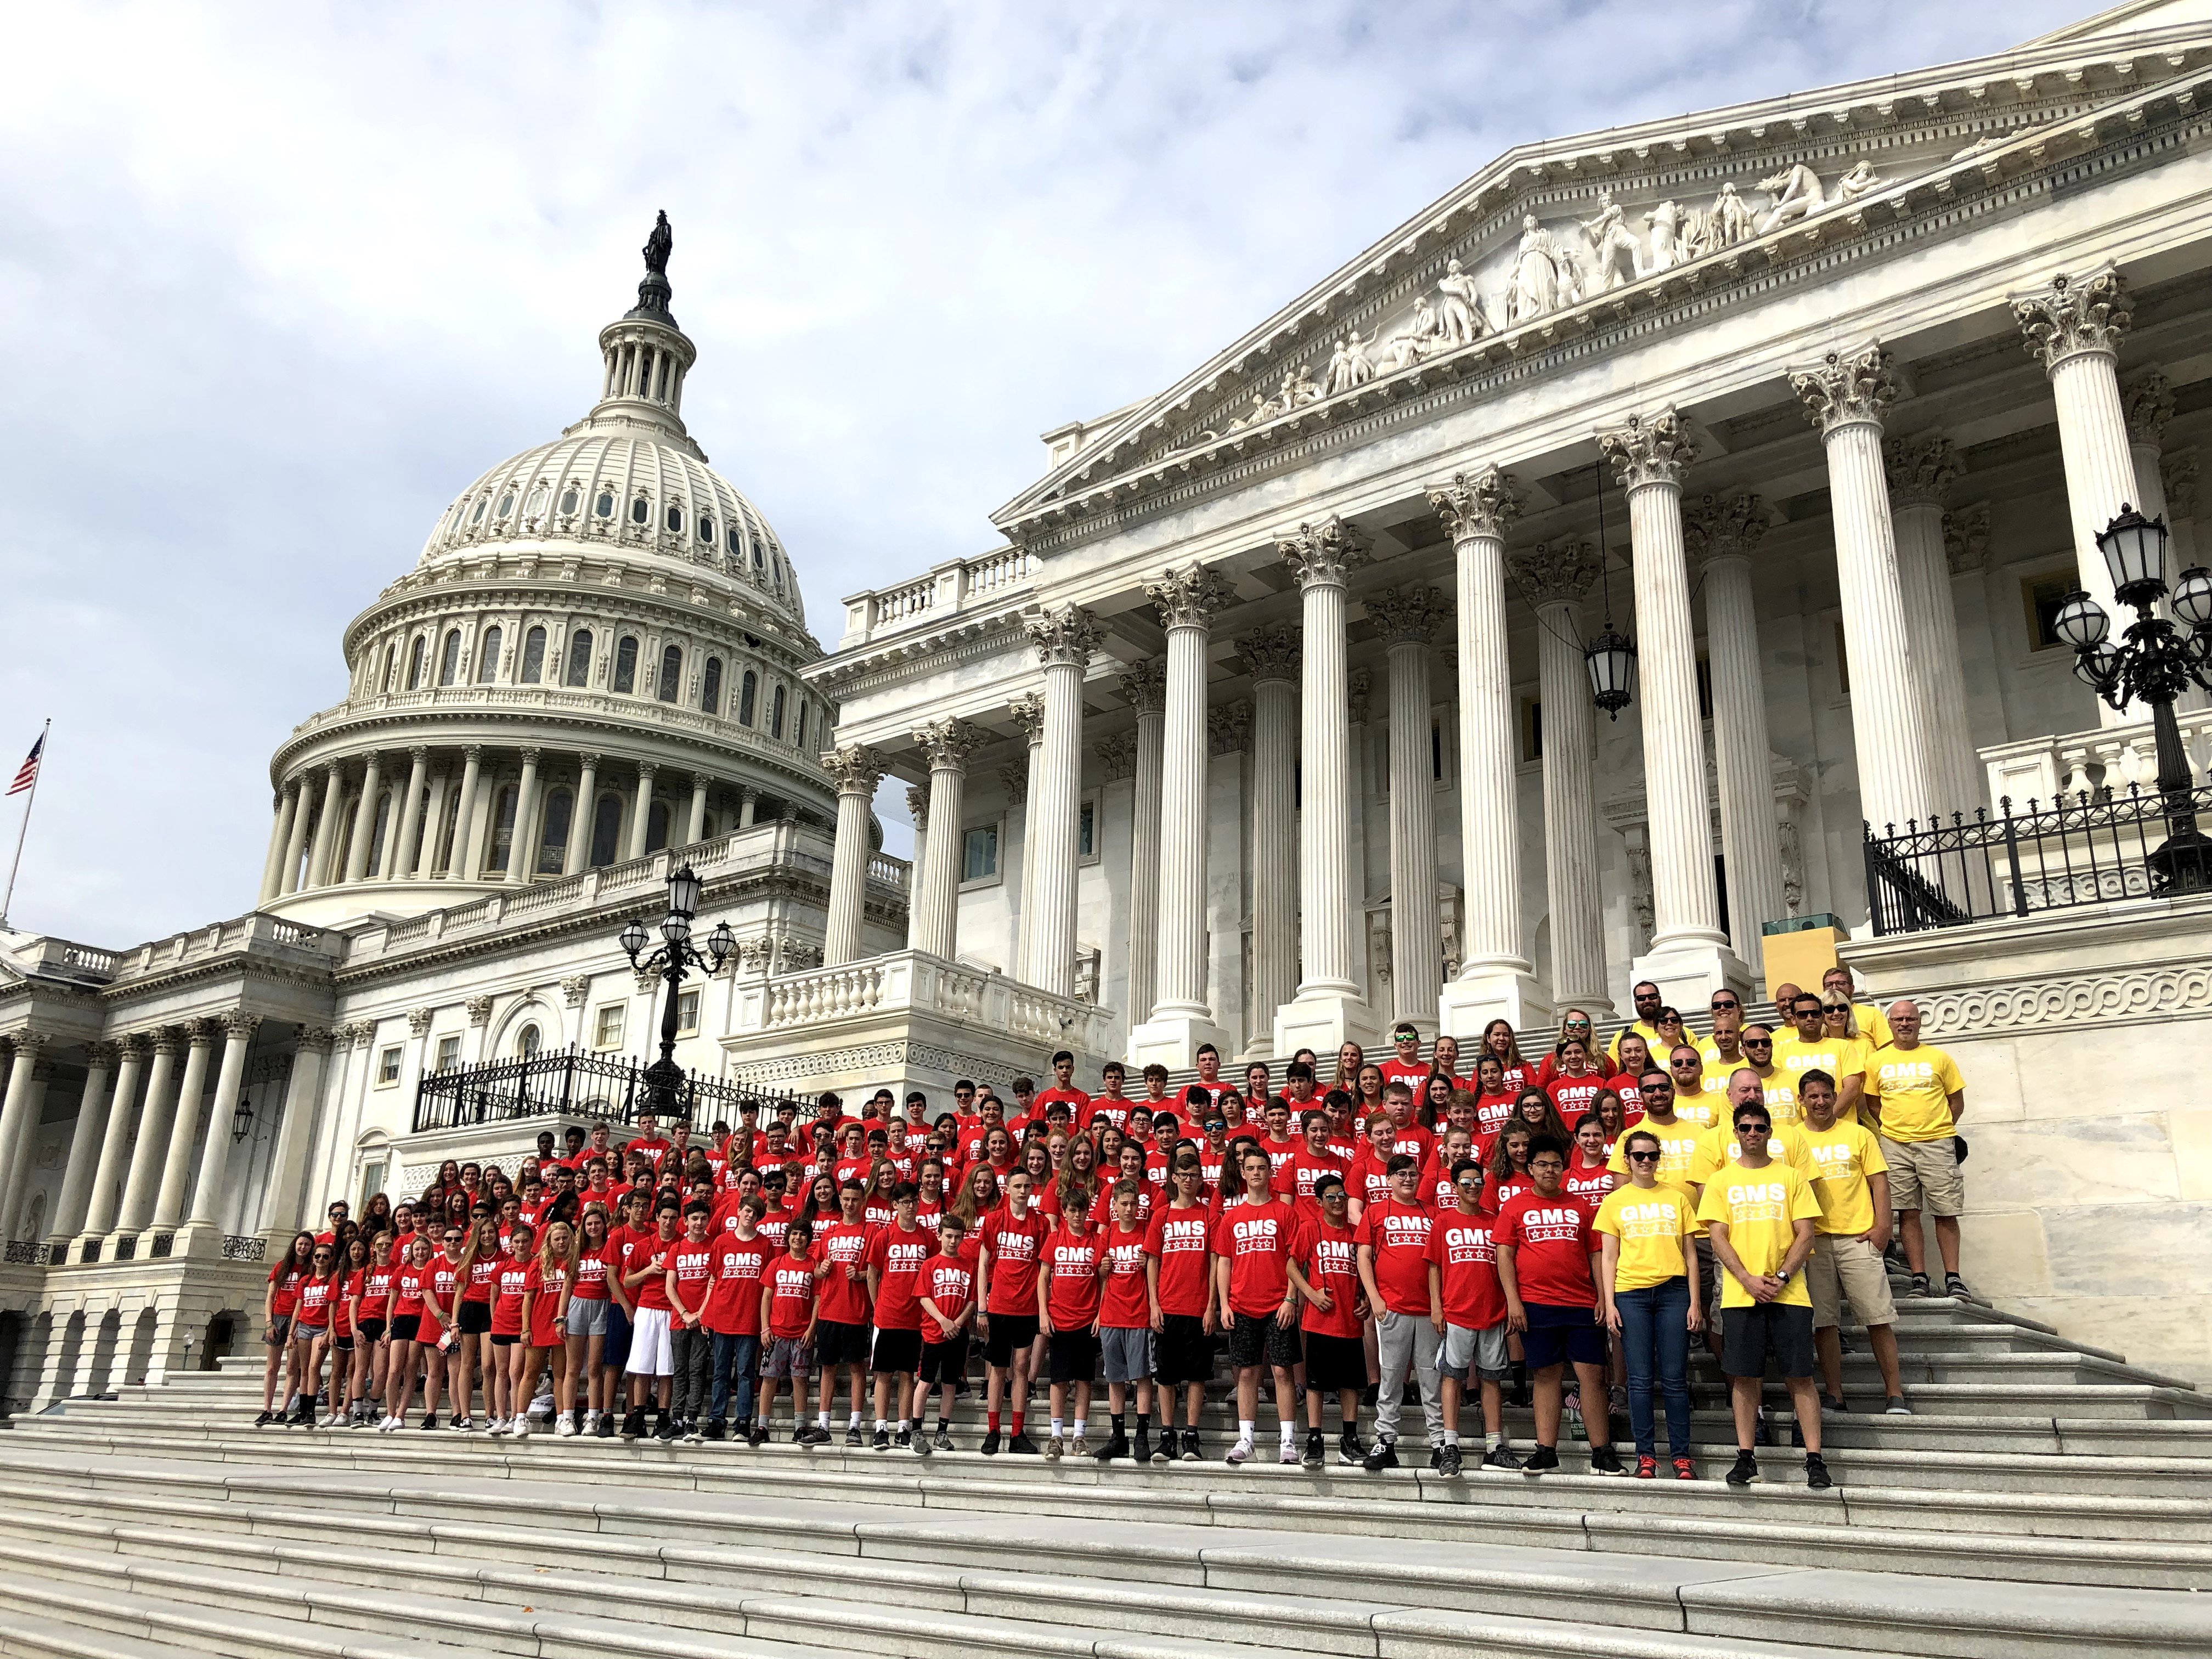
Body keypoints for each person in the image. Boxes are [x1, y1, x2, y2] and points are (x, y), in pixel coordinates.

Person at [1697, 1103, 1830, 1489]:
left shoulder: (1791, 1177)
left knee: (1800, 1376)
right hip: (1741, 1294)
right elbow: (1718, 1236)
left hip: (1790, 1293)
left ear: (1770, 1132)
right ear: (1735, 1133)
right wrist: (1746, 1278)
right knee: (1744, 1378)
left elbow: (1806, 1233)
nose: (1752, 1133)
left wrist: (1784, 1276)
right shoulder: (1721, 1181)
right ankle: (1746, 1456)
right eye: (1745, 1127)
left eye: (1759, 1127)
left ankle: (1814, 1459)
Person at [1494, 1135, 1622, 1475]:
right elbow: (1504, 1255)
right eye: (1542, 1165)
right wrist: (1514, 1301)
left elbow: (1596, 1253)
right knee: (1546, 1376)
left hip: (1581, 1303)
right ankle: (1546, 1451)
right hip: (1537, 1303)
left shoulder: (1580, 1205)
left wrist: (1601, 1296)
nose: (1549, 1171)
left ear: (1564, 1168)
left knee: (1592, 1376)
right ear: (1531, 1168)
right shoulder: (1515, 1207)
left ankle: (1602, 1452)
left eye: (1555, 1164)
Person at [1798, 1070, 1908, 1414]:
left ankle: (1895, 1394)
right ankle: (1835, 1394)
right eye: (1812, 1096)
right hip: (1815, 1241)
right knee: (1824, 1323)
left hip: (1858, 1237)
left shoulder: (1859, 1134)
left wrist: (1882, 1228)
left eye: (1826, 1095)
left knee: (1877, 1318)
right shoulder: (1791, 1140)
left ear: (1835, 1097)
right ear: (1801, 1101)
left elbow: (1880, 1183)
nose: (1820, 1102)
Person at [1594, 1130, 1701, 1478]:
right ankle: (1646, 1457)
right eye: (1638, 1156)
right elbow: (1608, 1257)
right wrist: (1609, 1303)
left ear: (1659, 1158)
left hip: (1673, 1292)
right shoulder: (1614, 1201)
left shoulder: (1677, 1198)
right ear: (1627, 1160)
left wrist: (1695, 1301)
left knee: (1674, 1379)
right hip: (1630, 1294)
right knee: (1639, 1380)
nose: (1645, 1161)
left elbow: (1691, 1255)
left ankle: (1681, 1456)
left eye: (1652, 1155)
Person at [1863, 1000, 1969, 1299]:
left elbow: (1956, 1102)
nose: (1905, 1024)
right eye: (1898, 1019)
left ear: (1920, 1022)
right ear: (1890, 1024)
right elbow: (1873, 1104)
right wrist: (1895, 1130)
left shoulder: (1939, 1058)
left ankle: (1954, 1278)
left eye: (1910, 1018)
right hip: (1895, 1144)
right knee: (1907, 1212)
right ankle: (1919, 1277)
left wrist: (1936, 1128)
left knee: (1946, 1212)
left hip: (1937, 1142)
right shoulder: (1876, 1061)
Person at [1212, 1146, 1301, 1465]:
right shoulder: (1232, 1217)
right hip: (1242, 1305)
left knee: (1282, 1373)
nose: (1256, 1173)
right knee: (1247, 1375)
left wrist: (1291, 1297)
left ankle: (1288, 1441)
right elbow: (1224, 1262)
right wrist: (1224, 1304)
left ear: (1269, 1172)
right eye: (1250, 1168)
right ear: (1243, 1173)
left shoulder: (1285, 1212)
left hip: (1279, 1304)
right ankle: (1246, 1440)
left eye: (1262, 1168)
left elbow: (1296, 1259)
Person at [1427, 1159, 1515, 1475]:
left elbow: (1507, 1266)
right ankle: (1450, 1446)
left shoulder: (1496, 1221)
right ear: (1454, 1188)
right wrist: (1437, 1307)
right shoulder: (1444, 1222)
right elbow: (1434, 1266)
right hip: (1457, 1312)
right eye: (1466, 1182)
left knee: (1491, 1379)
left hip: (1492, 1312)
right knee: (1453, 1377)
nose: (1473, 1187)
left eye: (1478, 1181)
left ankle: (1494, 1447)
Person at [1357, 1153, 1442, 1471]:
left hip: (1428, 1310)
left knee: (1432, 1379)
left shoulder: (1432, 1212)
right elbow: (1364, 1257)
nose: (1408, 1179)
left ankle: (1439, 1442)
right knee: (1391, 1378)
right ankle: (1386, 1440)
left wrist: (1439, 1305)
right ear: (1389, 1179)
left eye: (1412, 1174)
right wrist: (1375, 1298)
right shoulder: (1376, 1211)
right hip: (1392, 1307)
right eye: (1401, 1174)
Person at [1285, 1171, 1367, 1467]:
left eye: (1341, 1196)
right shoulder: (1311, 1228)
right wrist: (1310, 1293)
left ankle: (1350, 1439)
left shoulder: (1357, 1231)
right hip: (1319, 1321)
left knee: (1350, 1384)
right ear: (1319, 1201)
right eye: (1330, 1197)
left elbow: (1369, 1270)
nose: (1338, 1201)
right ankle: (1315, 1439)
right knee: (1316, 1385)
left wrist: (1368, 1299)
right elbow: (1292, 1266)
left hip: (1351, 1321)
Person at [1146, 1152, 1216, 1462]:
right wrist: (1154, 1304)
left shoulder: (1210, 1215)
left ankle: (1191, 1436)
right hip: (1168, 1306)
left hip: (1199, 1307)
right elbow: (1153, 1261)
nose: (1188, 1180)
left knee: (1197, 1375)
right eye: (1183, 1175)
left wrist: (1212, 1304)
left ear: (1201, 1180)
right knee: (1166, 1375)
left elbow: (1216, 1262)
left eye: (1194, 1175)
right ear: (1174, 1178)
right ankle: (1167, 1436)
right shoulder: (1161, 1215)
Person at [977, 1169, 1051, 1455]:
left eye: (1027, 1186)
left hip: (1028, 1305)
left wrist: (1044, 1308)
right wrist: (982, 1308)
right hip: (999, 1306)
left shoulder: (1040, 1223)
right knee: (998, 1369)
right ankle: (993, 1430)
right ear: (1007, 1188)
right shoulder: (994, 1220)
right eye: (1017, 1186)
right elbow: (983, 1264)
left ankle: (1017, 1433)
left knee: (1021, 1367)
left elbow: (1045, 1270)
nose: (1023, 1190)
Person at [865, 1181, 932, 1449]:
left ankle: (903, 1427)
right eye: (904, 1202)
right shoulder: (884, 1236)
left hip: (916, 1319)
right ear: (894, 1205)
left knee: (908, 1375)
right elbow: (872, 1274)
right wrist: (877, 1305)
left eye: (914, 1201)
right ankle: (881, 1427)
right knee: (884, 1374)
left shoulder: (927, 1237)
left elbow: (933, 1272)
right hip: (888, 1317)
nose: (911, 1206)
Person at [1039, 1184, 1103, 1460]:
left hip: (1088, 1320)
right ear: (1063, 1212)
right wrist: (1043, 1312)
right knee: (1059, 1380)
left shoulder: (1096, 1242)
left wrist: (1101, 1314)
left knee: (1084, 1380)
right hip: (1059, 1320)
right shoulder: (1055, 1239)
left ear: (1088, 1212)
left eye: (1082, 1210)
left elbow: (1104, 1281)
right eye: (1072, 1210)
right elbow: (1043, 1277)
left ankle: (1079, 1436)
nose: (1077, 1215)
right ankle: (1056, 1436)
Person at [1093, 1180, 1155, 1462]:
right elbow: (1100, 1278)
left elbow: (1159, 1269)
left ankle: (1142, 1435)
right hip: (1111, 1315)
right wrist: (1103, 1270)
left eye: (1134, 1203)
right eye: (1124, 1204)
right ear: (1114, 1206)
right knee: (1115, 1379)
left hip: (1140, 1313)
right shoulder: (1107, 1236)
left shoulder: (1148, 1232)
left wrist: (1151, 1264)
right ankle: (1118, 1437)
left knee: (1142, 1377)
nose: (1130, 1208)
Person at [703, 1194, 770, 1444]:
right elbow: (714, 1279)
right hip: (723, 1317)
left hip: (749, 1319)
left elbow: (766, 1287)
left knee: (745, 1373)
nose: (750, 1215)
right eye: (747, 1211)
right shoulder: (721, 1242)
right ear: (739, 1212)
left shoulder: (765, 1246)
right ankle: (717, 1421)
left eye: (755, 1213)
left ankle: (742, 1422)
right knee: (720, 1372)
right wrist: (707, 1314)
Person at [618, 1199, 680, 1441]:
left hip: (672, 1310)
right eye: (664, 1217)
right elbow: (627, 1281)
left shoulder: (683, 1244)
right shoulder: (644, 1245)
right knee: (641, 1367)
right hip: (646, 1308)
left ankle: (664, 1416)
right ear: (657, 1218)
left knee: (667, 1368)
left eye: (673, 1218)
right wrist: (648, 1271)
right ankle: (637, 1417)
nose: (668, 1222)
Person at [758, 1217, 819, 1440]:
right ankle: (763, 1427)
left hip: (801, 1333)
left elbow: (818, 1300)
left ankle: (800, 1427)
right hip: (776, 1333)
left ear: (808, 1239)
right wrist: (765, 1329)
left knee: (800, 1379)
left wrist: (812, 1329)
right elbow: (766, 1298)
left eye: (803, 1234)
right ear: (788, 1237)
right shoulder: (777, 1263)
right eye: (794, 1233)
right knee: (769, 1378)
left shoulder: (813, 1265)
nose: (798, 1238)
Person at [516, 1219, 575, 1440]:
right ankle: (520, 1416)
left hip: (562, 1325)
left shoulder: (572, 1261)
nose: (561, 1242)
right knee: (530, 1373)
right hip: (539, 1324)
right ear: (549, 1242)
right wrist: (525, 1328)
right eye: (556, 1239)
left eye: (564, 1238)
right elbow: (528, 1298)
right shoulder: (538, 1263)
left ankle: (562, 1419)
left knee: (560, 1375)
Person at [664, 1201, 716, 1441]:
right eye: (694, 1218)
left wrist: (701, 1314)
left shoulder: (714, 1246)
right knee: (680, 1371)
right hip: (679, 1320)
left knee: (697, 1371)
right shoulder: (677, 1248)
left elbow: (713, 1283)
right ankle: (676, 1419)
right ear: (685, 1221)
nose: (699, 1223)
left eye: (703, 1218)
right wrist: (685, 1314)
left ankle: (692, 1419)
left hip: (704, 1321)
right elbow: (669, 1286)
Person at [1772, 994, 1870, 1122]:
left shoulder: (1843, 1047)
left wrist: (1825, 1121)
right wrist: (1808, 1127)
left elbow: (1852, 1089)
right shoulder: (1779, 1052)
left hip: (1840, 1129)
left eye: (1815, 1013)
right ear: (1794, 1019)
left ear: (1823, 1017)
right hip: (1798, 1133)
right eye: (1803, 1015)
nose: (1810, 1018)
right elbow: (1781, 1093)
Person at [256, 1232, 313, 1426]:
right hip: (277, 1318)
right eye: (300, 1244)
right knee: (272, 1367)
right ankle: (267, 1409)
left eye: (307, 1244)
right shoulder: (281, 1267)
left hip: (297, 1320)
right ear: (294, 1245)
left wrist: (297, 1325)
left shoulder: (311, 1269)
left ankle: (283, 1410)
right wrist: (269, 1322)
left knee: (292, 1368)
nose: (303, 1247)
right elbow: (270, 1296)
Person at [1824, 965, 1894, 1049]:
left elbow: (1887, 1048)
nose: (1834, 988)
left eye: (1841, 983)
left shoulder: (1871, 1013)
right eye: (1829, 985)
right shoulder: (1817, 1014)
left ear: (1852, 988)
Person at [1609, 982, 1666, 1066]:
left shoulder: (1682, 1032)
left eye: (1652, 996)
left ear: (1660, 999)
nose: (1647, 1001)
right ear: (1635, 1002)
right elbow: (1613, 1070)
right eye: (1641, 998)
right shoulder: (1622, 1036)